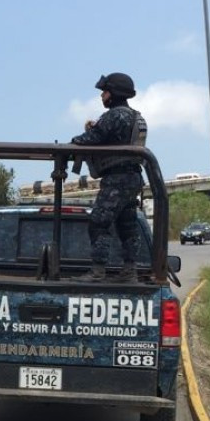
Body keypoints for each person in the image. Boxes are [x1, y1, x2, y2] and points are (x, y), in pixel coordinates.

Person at [70, 72, 148, 282]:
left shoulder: (114, 116)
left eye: (105, 91)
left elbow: (90, 139)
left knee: (99, 222)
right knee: (127, 225)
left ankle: (97, 271)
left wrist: (75, 140)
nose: (102, 96)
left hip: (117, 179)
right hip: (133, 179)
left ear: (113, 93)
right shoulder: (135, 116)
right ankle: (129, 270)